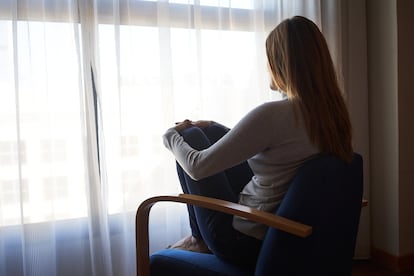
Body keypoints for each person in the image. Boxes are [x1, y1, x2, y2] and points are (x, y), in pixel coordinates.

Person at [162, 15, 353, 265]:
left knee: (189, 136)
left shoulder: (275, 114)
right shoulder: (332, 114)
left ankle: (199, 238)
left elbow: (197, 168)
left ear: (281, 62)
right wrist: (215, 127)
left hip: (241, 240)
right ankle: (198, 237)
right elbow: (278, 146)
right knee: (208, 133)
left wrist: (170, 137)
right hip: (281, 229)